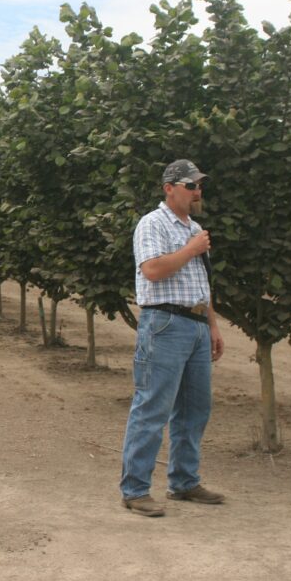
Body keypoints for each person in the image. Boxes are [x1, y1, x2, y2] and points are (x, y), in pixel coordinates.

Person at [120, 159, 226, 517]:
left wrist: (211, 325)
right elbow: (151, 270)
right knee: (152, 408)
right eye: (191, 185)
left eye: (199, 185)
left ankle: (184, 482)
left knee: (195, 409)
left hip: (194, 325)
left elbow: (202, 284)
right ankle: (135, 490)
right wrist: (191, 249)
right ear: (169, 188)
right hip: (164, 323)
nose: (198, 191)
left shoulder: (195, 227)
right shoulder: (153, 224)